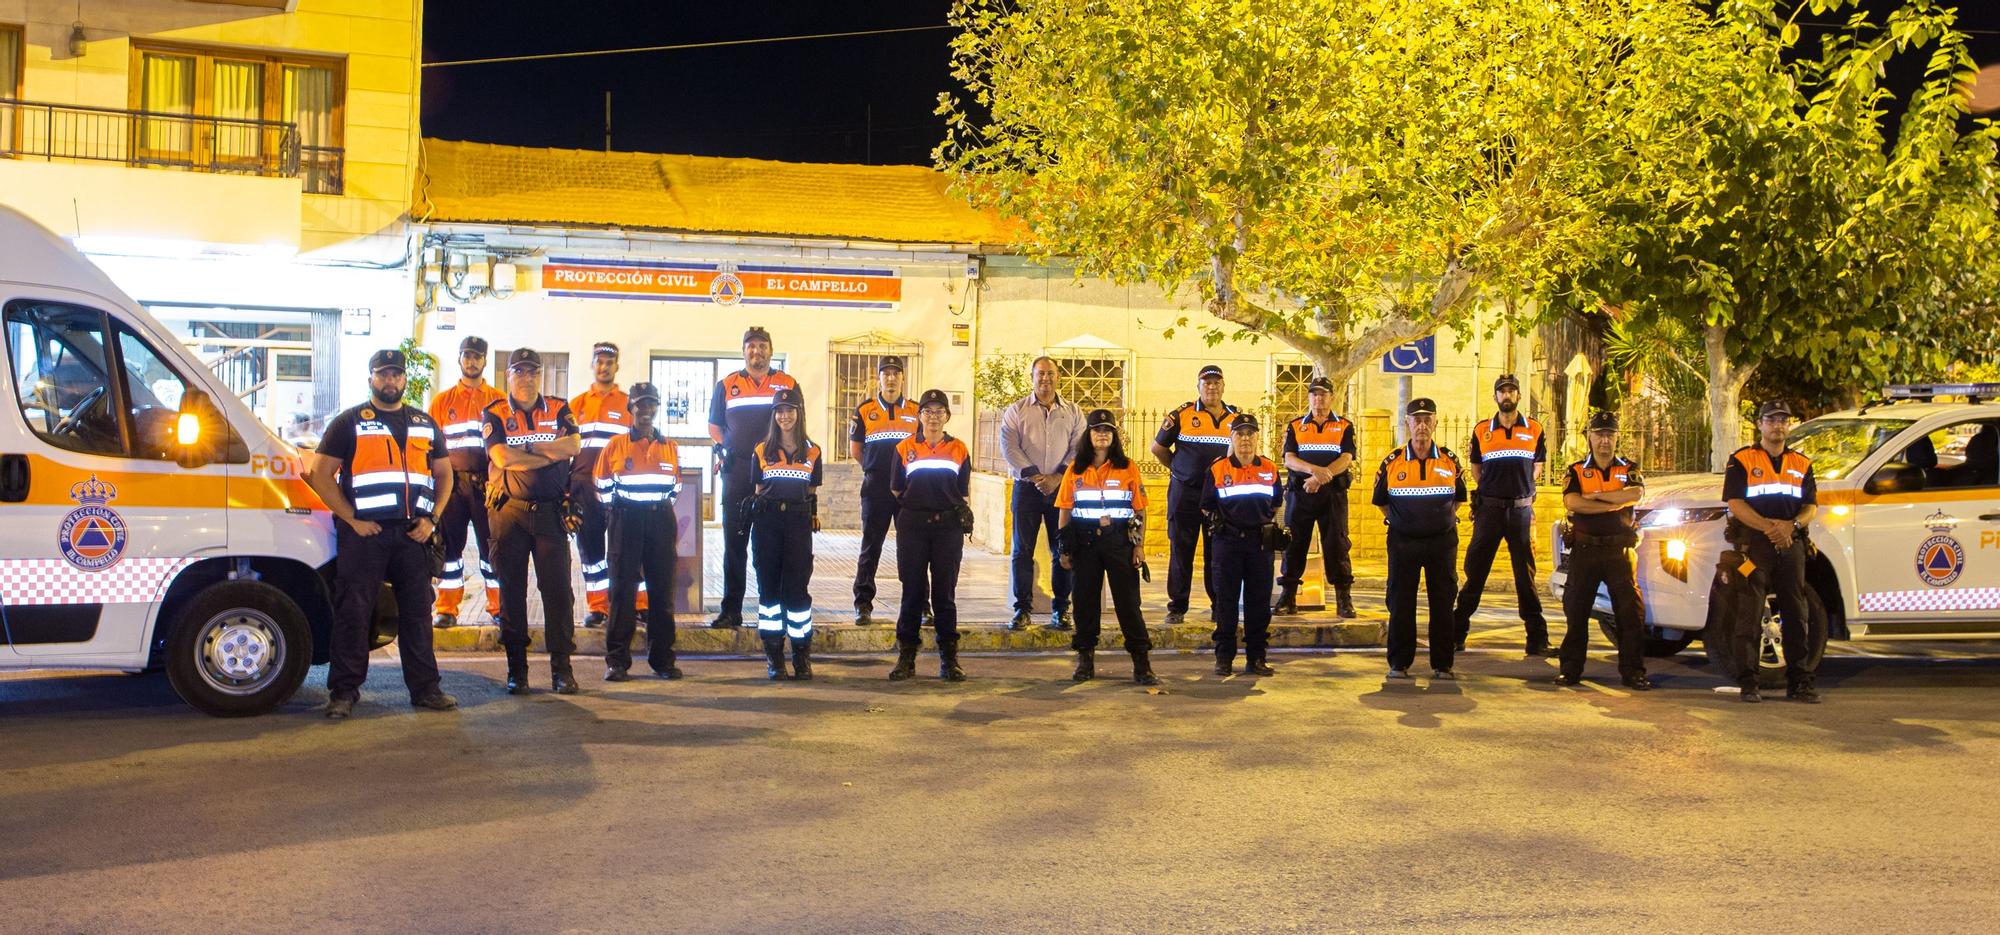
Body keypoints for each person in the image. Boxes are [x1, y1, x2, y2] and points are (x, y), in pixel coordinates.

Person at [304, 349, 456, 719]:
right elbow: (320, 475)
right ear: (371, 378)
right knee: (354, 612)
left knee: (418, 614)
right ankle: (343, 692)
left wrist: (432, 518)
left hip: (412, 535)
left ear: (404, 379)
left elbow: (445, 475)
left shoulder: (424, 422)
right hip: (366, 535)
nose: (391, 381)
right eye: (383, 375)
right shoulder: (349, 422)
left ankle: (425, 689)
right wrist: (351, 519)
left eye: (396, 375)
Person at [484, 348, 583, 695]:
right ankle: (517, 670)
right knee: (511, 591)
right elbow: (499, 456)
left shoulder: (558, 408)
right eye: (519, 372)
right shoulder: (494, 412)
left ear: (539, 376)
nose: (526, 378)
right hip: (509, 512)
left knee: (558, 593)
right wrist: (545, 452)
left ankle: (562, 669)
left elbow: (572, 446)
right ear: (508, 376)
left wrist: (522, 455)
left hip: (551, 514)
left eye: (532, 372)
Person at [1721, 400, 1823, 703]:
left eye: (1783, 420)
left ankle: (1800, 682)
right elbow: (1736, 504)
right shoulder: (1741, 459)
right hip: (1755, 544)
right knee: (1749, 614)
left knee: (1796, 614)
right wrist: (1771, 528)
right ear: (1759, 424)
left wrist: (1791, 526)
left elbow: (1811, 507)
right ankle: (1749, 682)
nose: (1777, 425)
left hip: (1790, 544)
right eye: (1771, 420)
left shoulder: (1802, 463)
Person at [1057, 409, 1162, 685]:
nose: (1102, 434)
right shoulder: (1074, 469)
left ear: (1114, 436)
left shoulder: (1128, 466)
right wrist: (1064, 548)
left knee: (1128, 604)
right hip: (1085, 544)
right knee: (1084, 604)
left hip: (1119, 542)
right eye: (1096, 430)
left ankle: (1142, 663)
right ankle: (1085, 660)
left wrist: (1139, 546)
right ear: (1088, 435)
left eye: (1107, 430)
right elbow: (1065, 511)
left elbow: (1139, 510)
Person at [1452, 374, 1552, 655]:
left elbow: (1537, 467)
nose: (1506, 396)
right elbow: (1476, 469)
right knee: (1476, 573)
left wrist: (1524, 492)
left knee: (1526, 576)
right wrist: (1490, 492)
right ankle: (1456, 633)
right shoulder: (1482, 430)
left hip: (1520, 512)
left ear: (1518, 396)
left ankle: (1537, 639)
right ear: (1495, 397)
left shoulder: (1534, 429)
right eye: (1502, 392)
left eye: (1511, 391)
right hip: (1490, 511)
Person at [708, 326, 799, 628]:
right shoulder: (727, 384)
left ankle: (770, 607)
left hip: (774, 475)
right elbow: (714, 426)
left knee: (768, 546)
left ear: (771, 351)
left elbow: (796, 424)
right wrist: (725, 448)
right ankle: (731, 609)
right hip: (737, 474)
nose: (756, 351)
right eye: (751, 346)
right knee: (735, 543)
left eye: (762, 346)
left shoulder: (787, 383)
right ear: (744, 351)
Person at [593, 381, 683, 682]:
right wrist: (619, 509)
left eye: (650, 405)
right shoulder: (616, 446)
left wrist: (654, 507)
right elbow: (601, 485)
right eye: (639, 406)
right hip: (625, 520)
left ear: (656, 409)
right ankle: (617, 661)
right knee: (622, 591)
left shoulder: (669, 446)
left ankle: (663, 661)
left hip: (660, 521)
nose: (645, 411)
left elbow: (675, 489)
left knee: (662, 594)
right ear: (630, 409)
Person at [1374, 398, 1469, 680]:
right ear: (1407, 424)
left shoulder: (1450, 460)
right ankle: (1399, 663)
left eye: (1428, 419)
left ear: (1436, 423)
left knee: (1442, 603)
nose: (1422, 426)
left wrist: (1440, 520)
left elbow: (1459, 499)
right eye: (1416, 420)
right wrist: (1402, 521)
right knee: (1401, 602)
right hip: (1404, 542)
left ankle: (1442, 664)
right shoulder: (1392, 462)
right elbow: (1381, 501)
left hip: (1441, 542)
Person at [1556, 411, 1649, 689]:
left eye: (1609, 434)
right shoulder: (1576, 470)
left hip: (1619, 551)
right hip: (1586, 550)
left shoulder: (1629, 468)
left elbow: (1634, 494)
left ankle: (1633, 672)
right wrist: (1612, 503)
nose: (1604, 441)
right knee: (1576, 611)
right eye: (1599, 434)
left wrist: (1596, 496)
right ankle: (1570, 670)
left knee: (1630, 614)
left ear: (1617, 437)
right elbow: (1573, 502)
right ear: (1589, 437)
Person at [886, 389, 971, 682]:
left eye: (939, 412)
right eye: (928, 411)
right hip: (913, 525)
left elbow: (963, 491)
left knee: (944, 594)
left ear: (947, 416)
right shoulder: (903, 448)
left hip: (948, 527)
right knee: (911, 591)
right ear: (919, 415)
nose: (933, 417)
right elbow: (896, 489)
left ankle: (949, 659)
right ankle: (906, 657)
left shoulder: (959, 448)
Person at [1152, 364, 1243, 626]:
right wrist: (1179, 471)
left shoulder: (1234, 418)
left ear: (1223, 386)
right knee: (1181, 552)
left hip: (1218, 497)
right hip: (1185, 495)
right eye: (1207, 383)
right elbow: (1158, 448)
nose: (1212, 387)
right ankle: (1177, 607)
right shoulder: (1181, 415)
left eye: (1216, 382)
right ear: (1198, 387)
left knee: (1218, 553)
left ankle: (1219, 605)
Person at [998, 356, 1085, 630]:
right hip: (1027, 490)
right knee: (1021, 550)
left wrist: (1057, 476)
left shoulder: (1072, 412)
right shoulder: (1017, 410)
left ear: (1058, 377)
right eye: (1040, 374)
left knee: (1062, 548)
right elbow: (1009, 447)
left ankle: (1061, 610)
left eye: (1050, 374)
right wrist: (1037, 476)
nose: (1045, 379)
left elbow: (1078, 447)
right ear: (1032, 377)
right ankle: (1022, 609)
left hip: (1061, 490)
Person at [428, 335, 504, 629]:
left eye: (477, 356)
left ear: (485, 361)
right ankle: (447, 608)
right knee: (449, 550)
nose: (471, 361)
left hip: (488, 485)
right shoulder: (441, 401)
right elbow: (429, 446)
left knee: (491, 548)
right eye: (467, 355)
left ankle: (498, 607)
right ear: (459, 359)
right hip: (452, 485)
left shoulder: (498, 400)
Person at [1200, 415, 1283, 676]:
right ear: (1232, 438)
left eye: (1250, 434)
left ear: (1257, 438)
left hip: (1260, 544)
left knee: (1258, 603)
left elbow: (1277, 503)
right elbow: (1206, 505)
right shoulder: (1218, 468)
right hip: (1228, 543)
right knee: (1226, 601)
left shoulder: (1270, 468)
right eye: (1240, 434)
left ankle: (1256, 657)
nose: (1245, 439)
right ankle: (1224, 657)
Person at [750, 387, 822, 680]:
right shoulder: (760, 450)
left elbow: (812, 492)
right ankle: (774, 657)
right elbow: (756, 491)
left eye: (789, 410)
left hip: (798, 522)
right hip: (767, 522)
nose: (784, 416)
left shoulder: (813, 451)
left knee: (797, 592)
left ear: (798, 413)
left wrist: (811, 517)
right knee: (769, 592)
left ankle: (802, 656)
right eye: (779, 411)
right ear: (773, 415)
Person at [571, 341, 641, 630]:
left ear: (616, 366)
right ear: (592, 365)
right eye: (599, 361)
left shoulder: (627, 405)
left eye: (609, 362)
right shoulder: (575, 405)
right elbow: (566, 451)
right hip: (583, 490)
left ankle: (638, 605)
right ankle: (598, 607)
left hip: (617, 492)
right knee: (591, 552)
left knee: (626, 549)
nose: (603, 367)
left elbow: (636, 448)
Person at [1276, 375, 1358, 618]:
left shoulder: (1344, 426)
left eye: (1323, 394)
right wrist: (1315, 472)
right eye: (1314, 394)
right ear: (1309, 397)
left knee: (1337, 544)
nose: (1318, 399)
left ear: (1332, 398)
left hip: (1332, 496)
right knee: (1293, 544)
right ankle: (1288, 596)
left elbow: (1346, 458)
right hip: (1301, 494)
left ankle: (1344, 598)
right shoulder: (1295, 426)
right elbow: (1289, 458)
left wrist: (1322, 477)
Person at [848, 356, 920, 626]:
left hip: (909, 489)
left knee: (913, 548)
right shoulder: (865, 410)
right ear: (878, 379)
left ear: (903, 378)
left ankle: (919, 604)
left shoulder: (915, 410)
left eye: (895, 374)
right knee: (871, 546)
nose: (891, 379)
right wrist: (877, 471)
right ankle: (863, 604)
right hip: (876, 487)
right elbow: (857, 450)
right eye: (885, 374)